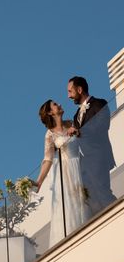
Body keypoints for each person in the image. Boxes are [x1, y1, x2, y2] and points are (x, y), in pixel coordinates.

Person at [34, 100, 90, 246]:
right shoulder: (49, 134)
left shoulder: (71, 123)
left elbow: (86, 139)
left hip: (79, 165)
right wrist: (39, 181)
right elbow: (47, 159)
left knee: (84, 200)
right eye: (54, 104)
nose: (59, 104)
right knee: (70, 205)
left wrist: (77, 132)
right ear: (50, 112)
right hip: (65, 173)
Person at [67, 76, 117, 216]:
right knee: (91, 198)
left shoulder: (99, 104)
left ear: (80, 89)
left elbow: (103, 125)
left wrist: (80, 131)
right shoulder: (76, 115)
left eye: (70, 91)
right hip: (84, 163)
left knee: (102, 191)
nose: (68, 95)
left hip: (98, 156)